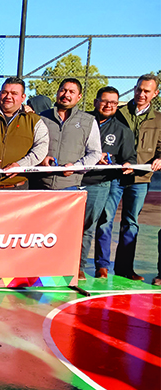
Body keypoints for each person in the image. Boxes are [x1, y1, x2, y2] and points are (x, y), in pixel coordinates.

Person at [96, 74, 161, 281]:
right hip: (114, 176)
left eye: (147, 91)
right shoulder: (118, 112)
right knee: (105, 219)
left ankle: (125, 268)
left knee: (131, 222)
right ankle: (102, 266)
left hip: (140, 179)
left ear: (155, 93)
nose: (141, 94)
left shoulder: (159, 119)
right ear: (134, 89)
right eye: (139, 89)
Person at [79, 86, 136, 279]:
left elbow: (130, 158)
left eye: (113, 102)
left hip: (104, 181)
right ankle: (72, 263)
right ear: (96, 102)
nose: (108, 105)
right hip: (76, 178)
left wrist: (126, 164)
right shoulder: (82, 121)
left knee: (102, 221)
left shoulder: (122, 131)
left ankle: (100, 266)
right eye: (104, 101)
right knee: (76, 224)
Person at [0, 77, 49, 189]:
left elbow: (41, 147)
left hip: (18, 188)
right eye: (4, 92)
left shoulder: (34, 120)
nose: (8, 96)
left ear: (23, 97)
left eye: (14, 93)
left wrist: (21, 165)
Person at [38, 78, 101, 190]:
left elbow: (95, 153)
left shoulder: (89, 121)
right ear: (57, 92)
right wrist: (40, 160)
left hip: (70, 186)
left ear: (79, 97)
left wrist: (76, 167)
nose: (66, 95)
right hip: (40, 184)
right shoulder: (41, 118)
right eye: (63, 90)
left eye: (72, 92)